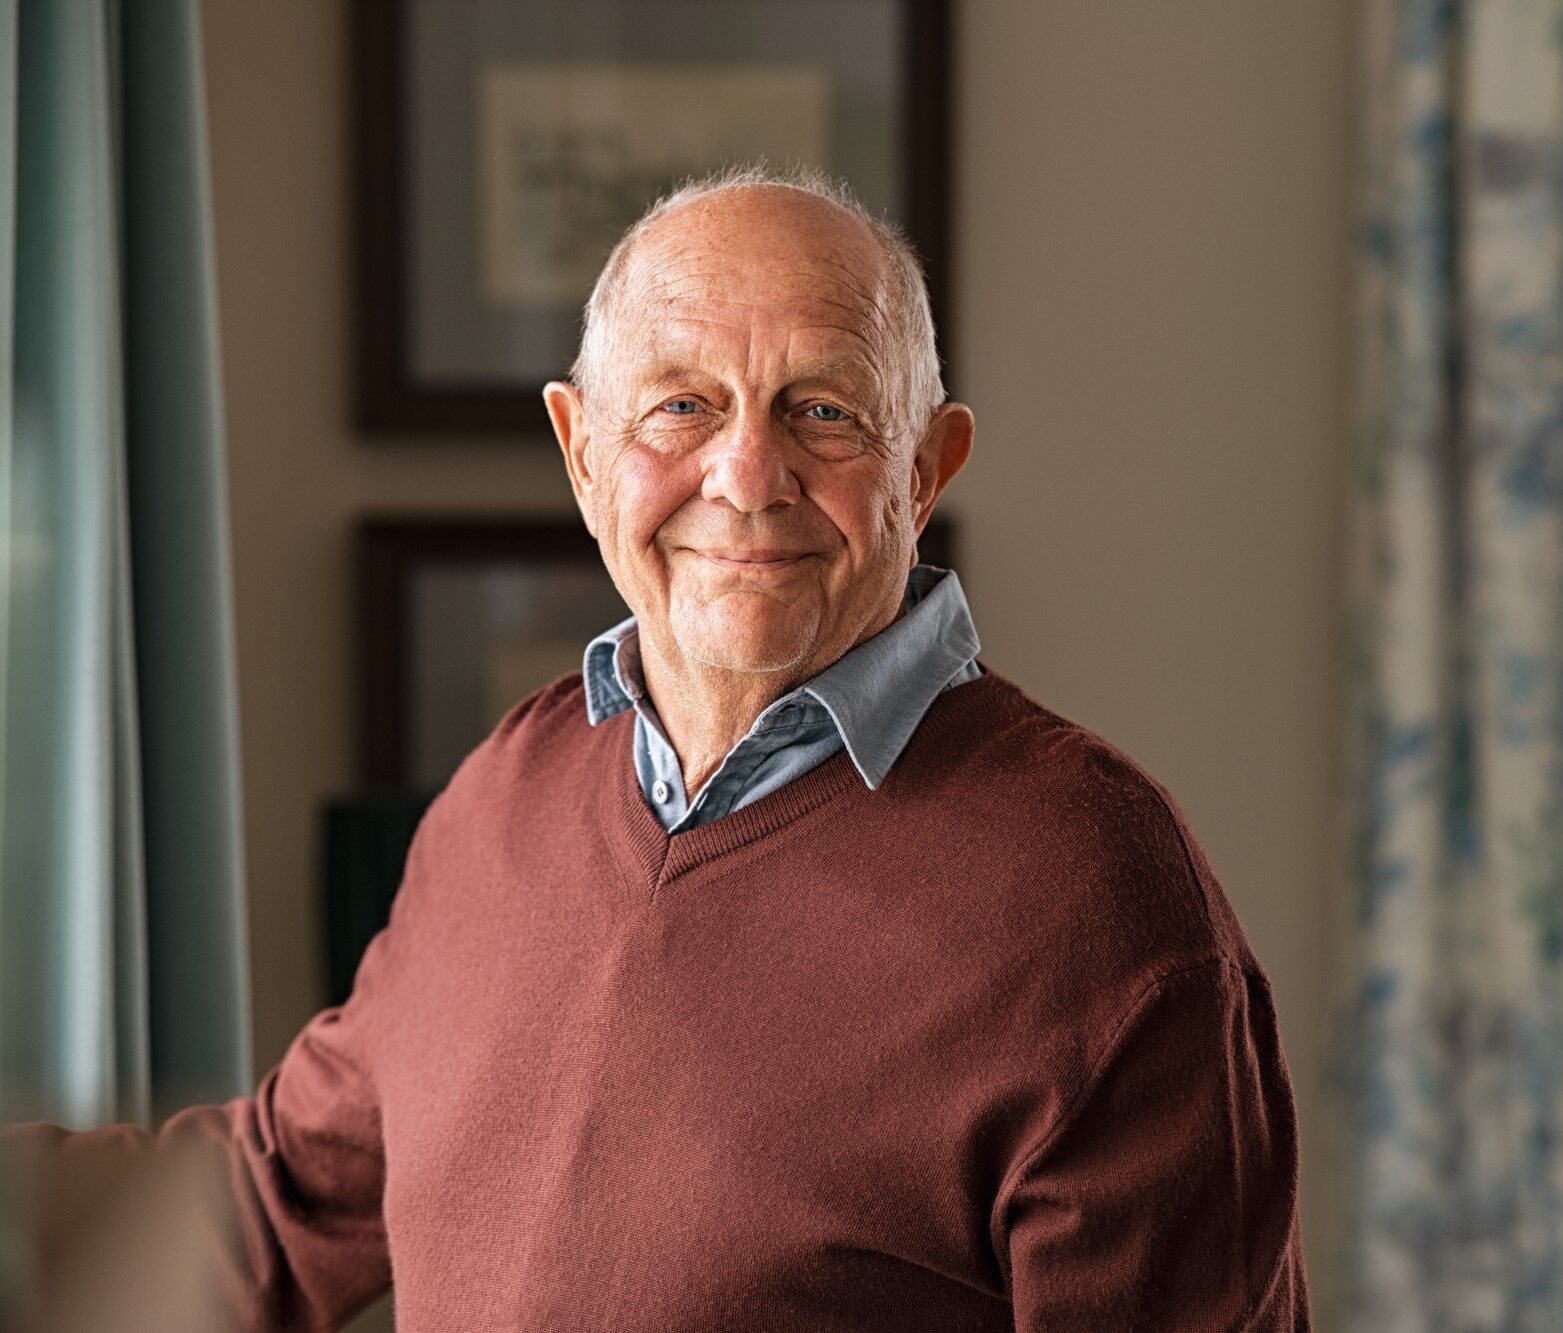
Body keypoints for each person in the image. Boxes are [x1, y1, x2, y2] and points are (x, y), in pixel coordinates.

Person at [3, 162, 1311, 1330]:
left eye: (824, 413)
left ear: (926, 467)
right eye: (680, 406)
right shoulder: (507, 789)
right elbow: (276, 1200)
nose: (746, 476)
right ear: (581, 453)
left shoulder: (1099, 891)